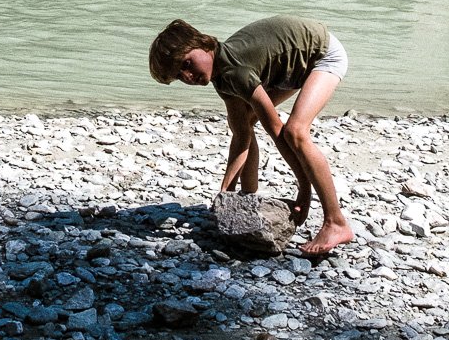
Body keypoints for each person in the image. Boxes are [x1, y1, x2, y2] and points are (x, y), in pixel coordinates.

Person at [149, 15, 354, 254]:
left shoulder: (236, 71)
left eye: (186, 64)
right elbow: (241, 136)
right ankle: (248, 198)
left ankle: (336, 222)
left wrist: (303, 190)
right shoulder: (222, 78)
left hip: (321, 55)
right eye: (178, 76)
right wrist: (225, 194)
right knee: (243, 122)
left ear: (203, 44)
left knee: (295, 131)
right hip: (289, 67)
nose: (187, 76)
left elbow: (275, 129)